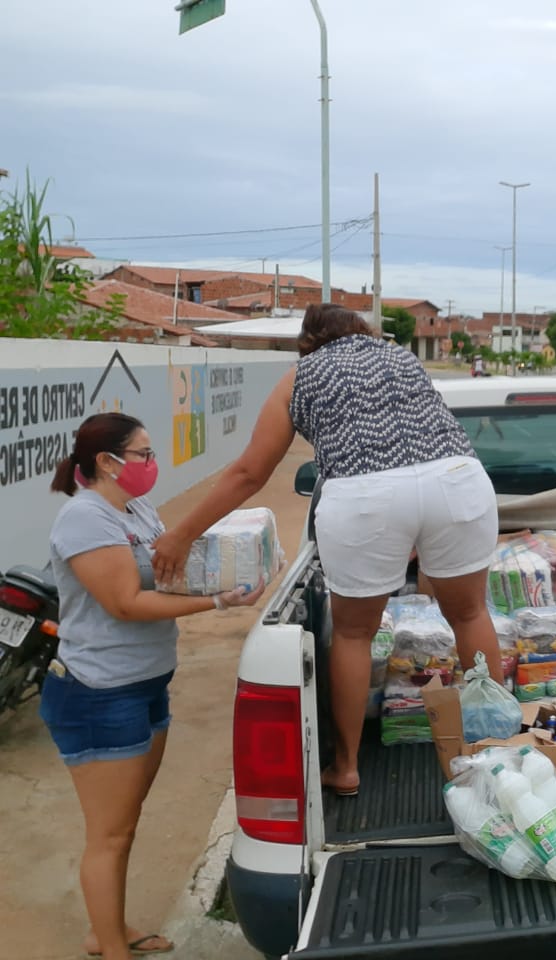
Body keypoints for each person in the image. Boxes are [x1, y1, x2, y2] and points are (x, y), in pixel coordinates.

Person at [151, 303, 502, 798]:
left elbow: (250, 473)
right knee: (469, 615)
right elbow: (418, 457)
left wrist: (182, 534)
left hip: (363, 495)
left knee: (355, 634)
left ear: (307, 342)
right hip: (458, 479)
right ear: (363, 329)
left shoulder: (302, 375)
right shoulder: (401, 358)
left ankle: (347, 768)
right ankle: (496, 748)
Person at [43, 413, 262, 960]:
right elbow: (125, 602)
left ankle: (107, 931)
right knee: (110, 834)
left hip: (145, 684)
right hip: (99, 693)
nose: (151, 463)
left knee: (125, 824)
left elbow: (166, 570)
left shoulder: (135, 509)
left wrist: (240, 563)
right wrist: (217, 602)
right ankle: (111, 946)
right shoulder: (85, 518)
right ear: (107, 462)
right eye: (143, 454)